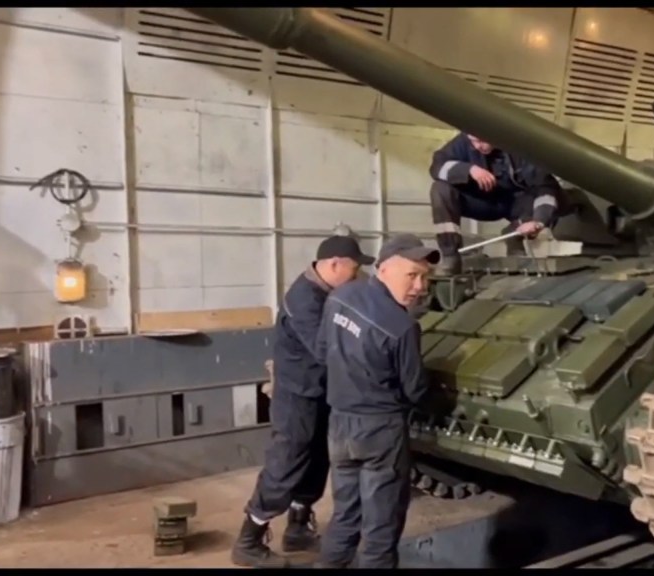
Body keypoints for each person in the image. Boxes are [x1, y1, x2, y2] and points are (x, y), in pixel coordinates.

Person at [231, 235, 375, 568]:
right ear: (334, 265)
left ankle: (297, 528)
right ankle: (249, 540)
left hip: (321, 392)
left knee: (317, 461)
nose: (357, 277)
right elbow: (325, 349)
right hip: (297, 395)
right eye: (354, 269)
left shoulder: (330, 293)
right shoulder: (304, 298)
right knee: (287, 462)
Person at [315, 234, 439, 569]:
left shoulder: (340, 297)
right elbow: (414, 391)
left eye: (424, 277)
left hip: (339, 425)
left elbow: (322, 350)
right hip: (380, 432)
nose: (420, 286)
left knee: (345, 516)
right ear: (383, 269)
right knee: (381, 529)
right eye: (412, 275)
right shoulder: (402, 326)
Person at [428, 132, 568, 274]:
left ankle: (515, 236)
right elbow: (437, 167)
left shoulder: (520, 147)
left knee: (558, 200)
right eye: (473, 141)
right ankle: (450, 256)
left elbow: (545, 187)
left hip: (515, 203)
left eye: (482, 140)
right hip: (481, 202)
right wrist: (469, 169)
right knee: (440, 189)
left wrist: (539, 222)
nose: (477, 147)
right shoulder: (464, 141)